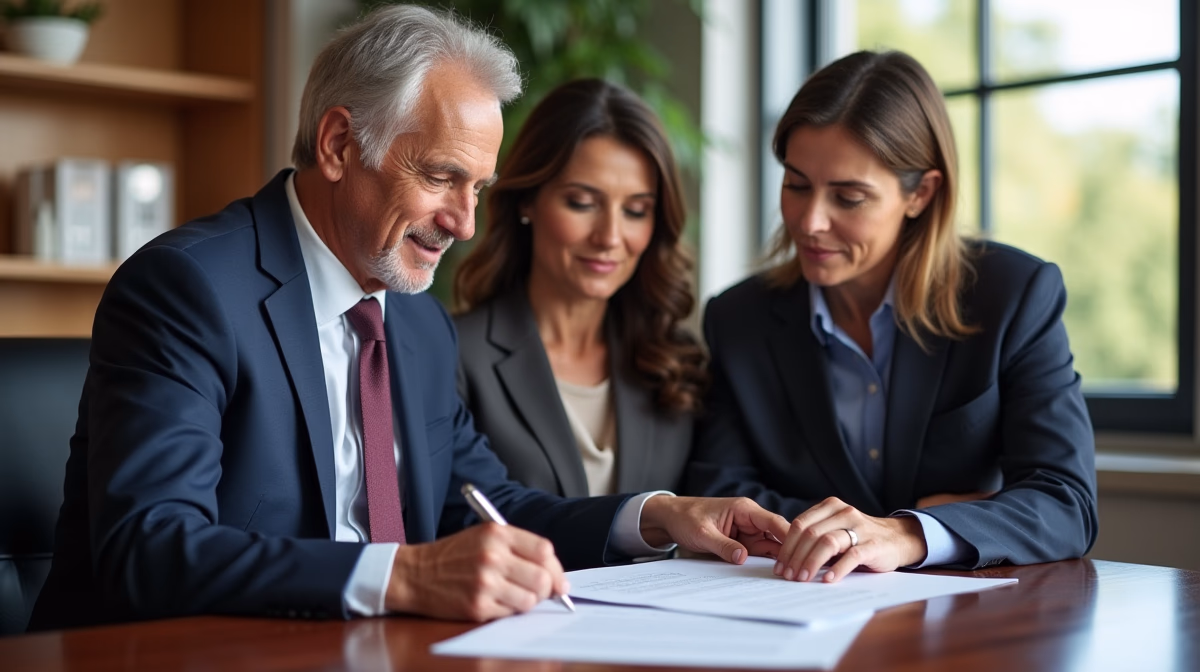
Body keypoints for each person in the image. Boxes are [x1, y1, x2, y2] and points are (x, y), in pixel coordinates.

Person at [28, 5, 789, 631]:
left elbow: (494, 508)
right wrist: (403, 573)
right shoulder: (187, 289)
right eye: (440, 177)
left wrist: (657, 517)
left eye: (480, 188)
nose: (464, 223)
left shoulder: (417, 326)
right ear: (337, 145)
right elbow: (150, 550)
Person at [686, 50, 1098, 583]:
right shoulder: (739, 318)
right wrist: (940, 514)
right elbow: (720, 498)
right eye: (796, 184)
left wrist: (907, 533)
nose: (809, 222)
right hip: (797, 609)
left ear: (920, 193)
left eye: (849, 197)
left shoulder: (1011, 296)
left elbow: (1066, 503)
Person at [453, 79, 705, 499]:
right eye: (582, 203)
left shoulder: (678, 361)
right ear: (527, 202)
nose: (609, 236)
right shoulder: (457, 356)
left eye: (636, 211)